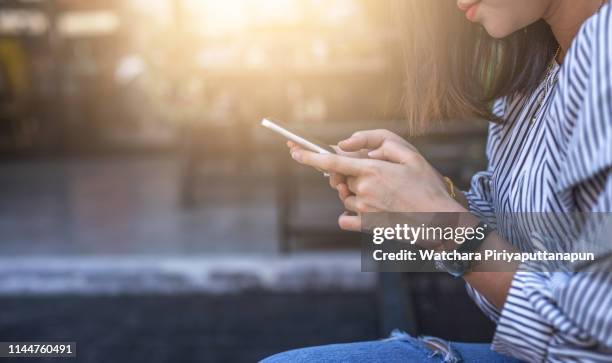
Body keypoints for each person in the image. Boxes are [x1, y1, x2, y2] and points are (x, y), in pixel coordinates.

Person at [262, 0, 612, 362]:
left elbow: (592, 338)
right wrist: (428, 196)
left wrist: (446, 231)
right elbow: (529, 250)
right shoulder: (531, 79)